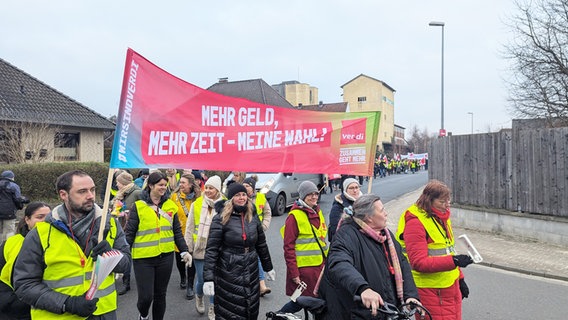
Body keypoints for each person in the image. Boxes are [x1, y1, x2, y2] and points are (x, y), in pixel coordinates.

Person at [13, 170, 131, 319]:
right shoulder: (41, 234)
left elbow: (127, 264)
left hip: (103, 314)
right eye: (82, 191)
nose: (90, 196)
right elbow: (25, 284)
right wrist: (67, 303)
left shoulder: (109, 224)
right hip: (60, 315)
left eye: (92, 190)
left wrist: (113, 256)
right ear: (64, 195)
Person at [319, 194, 421, 319]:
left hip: (387, 309)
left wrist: (410, 295)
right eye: (382, 210)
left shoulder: (385, 235)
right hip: (358, 313)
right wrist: (362, 288)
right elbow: (339, 263)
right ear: (369, 217)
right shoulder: (346, 235)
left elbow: (402, 262)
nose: (386, 213)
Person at [396, 180, 474, 320]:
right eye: (442, 201)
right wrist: (454, 261)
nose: (447, 205)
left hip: (449, 286)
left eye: (448, 200)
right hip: (431, 290)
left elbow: (447, 251)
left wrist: (460, 278)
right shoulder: (415, 222)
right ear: (429, 201)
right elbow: (418, 262)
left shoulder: (440, 217)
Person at [124, 171, 192, 320]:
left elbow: (177, 233)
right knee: (146, 298)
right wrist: (122, 256)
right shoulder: (139, 206)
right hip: (143, 259)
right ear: (150, 186)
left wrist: (184, 251)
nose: (163, 188)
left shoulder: (170, 205)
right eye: (160, 185)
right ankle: (143, 315)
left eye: (165, 185)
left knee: (160, 295)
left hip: (165, 257)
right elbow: (129, 234)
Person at [203, 183, 275, 320]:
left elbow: (261, 244)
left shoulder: (253, 216)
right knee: (231, 308)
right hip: (229, 270)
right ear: (231, 198)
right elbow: (212, 250)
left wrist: (268, 267)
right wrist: (208, 278)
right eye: (237, 195)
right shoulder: (220, 218)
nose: (241, 198)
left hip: (251, 267)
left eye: (243, 194)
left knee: (251, 305)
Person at [0, 202, 50, 320]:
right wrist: (11, 301)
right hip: (13, 309)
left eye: (48, 217)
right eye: (39, 217)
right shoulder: (11, 243)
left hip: (45, 306)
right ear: (27, 220)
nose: (45, 221)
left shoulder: (58, 243)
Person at [184, 175, 223, 318]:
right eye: (206, 187)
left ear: (218, 190)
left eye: (211, 188)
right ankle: (199, 297)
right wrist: (187, 249)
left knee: (214, 279)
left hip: (218, 248)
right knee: (202, 278)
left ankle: (212, 306)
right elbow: (189, 227)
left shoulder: (225, 204)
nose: (207, 190)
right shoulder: (197, 203)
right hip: (199, 249)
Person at [282, 181, 328, 300]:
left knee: (318, 302)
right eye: (309, 194)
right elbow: (288, 247)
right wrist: (294, 273)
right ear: (303, 196)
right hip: (304, 271)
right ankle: (278, 316)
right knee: (299, 302)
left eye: (316, 193)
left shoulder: (318, 211)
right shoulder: (294, 216)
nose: (314, 197)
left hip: (320, 267)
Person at [110, 171, 142, 295]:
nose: (116, 184)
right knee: (122, 252)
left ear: (123, 183)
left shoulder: (137, 193)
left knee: (127, 254)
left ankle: (126, 282)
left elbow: (144, 208)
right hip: (120, 227)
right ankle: (124, 279)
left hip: (132, 228)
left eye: (118, 182)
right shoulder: (121, 194)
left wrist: (130, 212)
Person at [170, 173, 201, 300]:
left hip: (193, 236)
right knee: (179, 260)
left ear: (191, 184)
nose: (181, 184)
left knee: (191, 262)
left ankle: (190, 285)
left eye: (183, 182)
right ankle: (182, 277)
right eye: (180, 182)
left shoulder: (199, 198)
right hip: (179, 235)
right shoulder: (174, 197)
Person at [243, 176, 273, 296]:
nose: (245, 188)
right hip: (243, 235)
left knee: (259, 256)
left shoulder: (261, 197)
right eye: (244, 186)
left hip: (257, 234)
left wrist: (263, 226)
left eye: (247, 186)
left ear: (253, 188)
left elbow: (267, 213)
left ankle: (261, 284)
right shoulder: (240, 198)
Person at [328, 178, 362, 243]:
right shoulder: (338, 207)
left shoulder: (362, 203)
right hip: (346, 243)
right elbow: (335, 230)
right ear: (345, 190)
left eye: (356, 187)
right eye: (351, 188)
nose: (355, 190)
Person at [0, 171, 28, 243]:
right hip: (9, 212)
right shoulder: (13, 186)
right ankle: (7, 247)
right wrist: (20, 206)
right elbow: (18, 199)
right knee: (9, 231)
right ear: (12, 177)